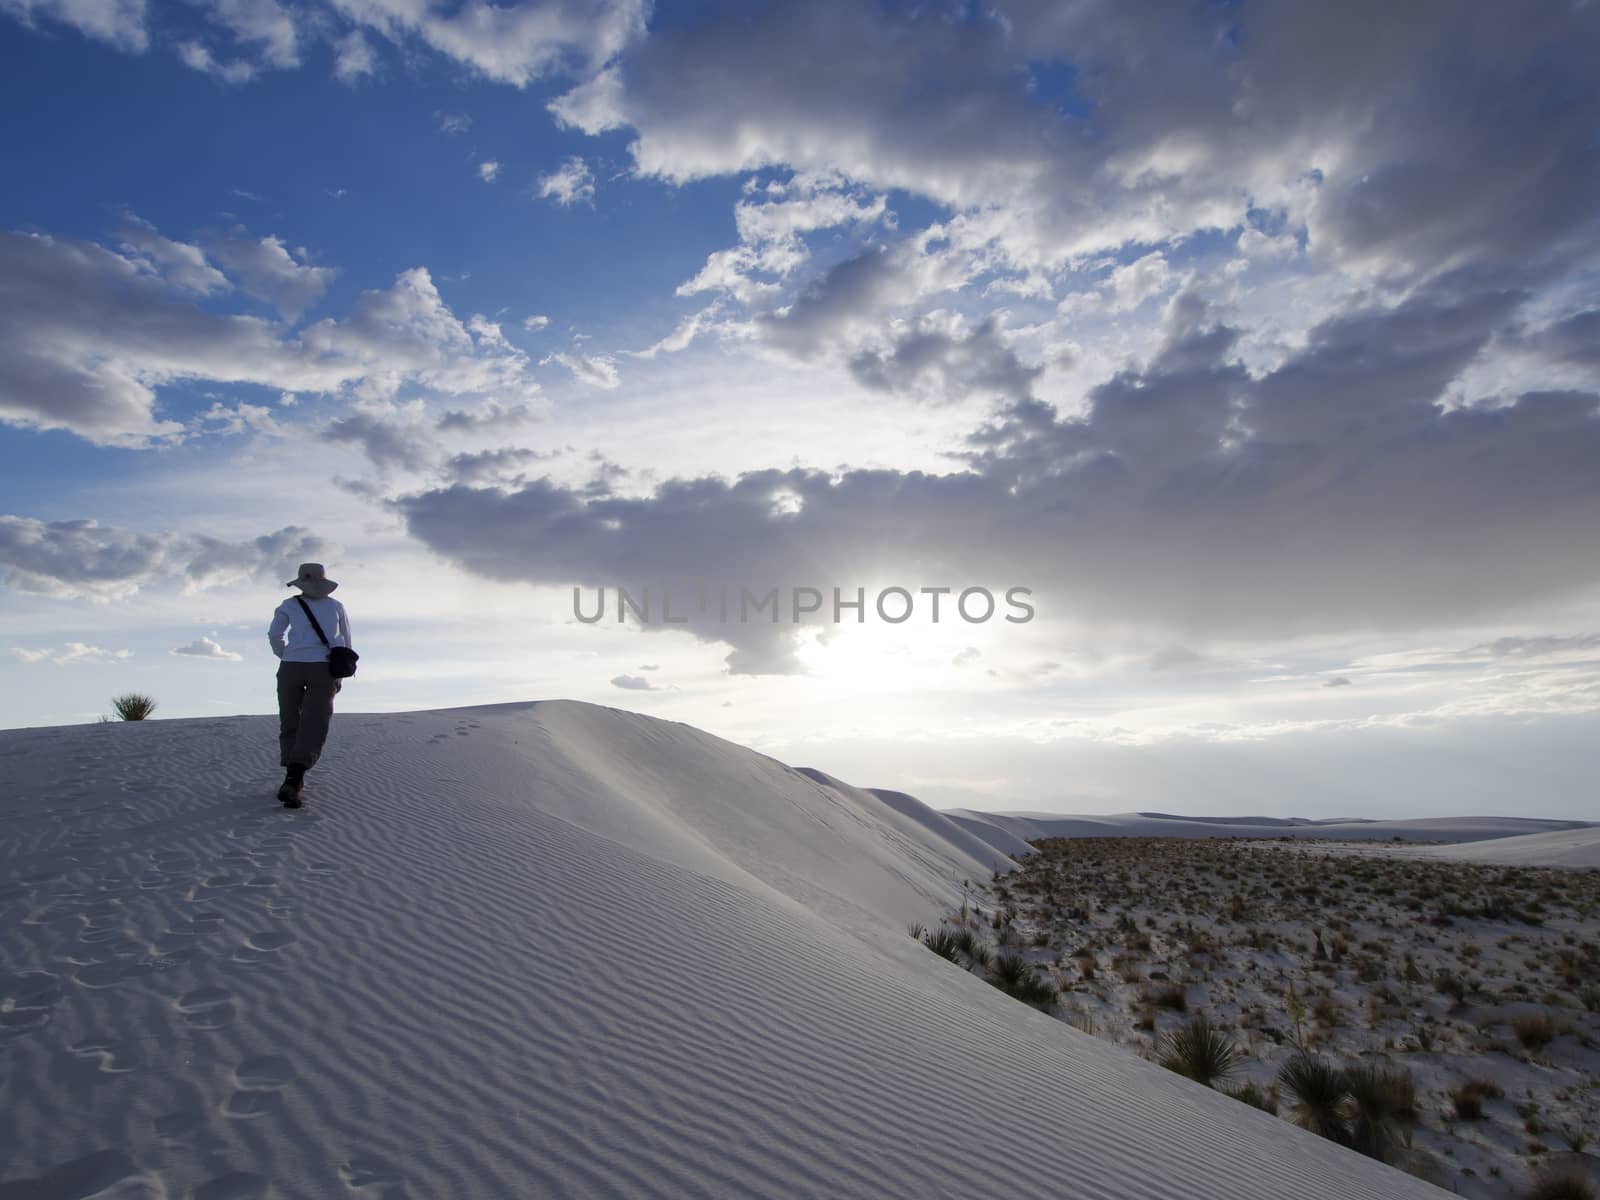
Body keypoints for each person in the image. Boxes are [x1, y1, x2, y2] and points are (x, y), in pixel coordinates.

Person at [268, 563, 354, 807]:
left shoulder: (288, 605)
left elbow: (274, 635)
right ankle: (296, 777)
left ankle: (291, 775)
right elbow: (346, 642)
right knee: (315, 721)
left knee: (290, 718)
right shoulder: (336, 606)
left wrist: (286, 654)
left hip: (290, 666)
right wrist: (339, 673)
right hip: (323, 667)